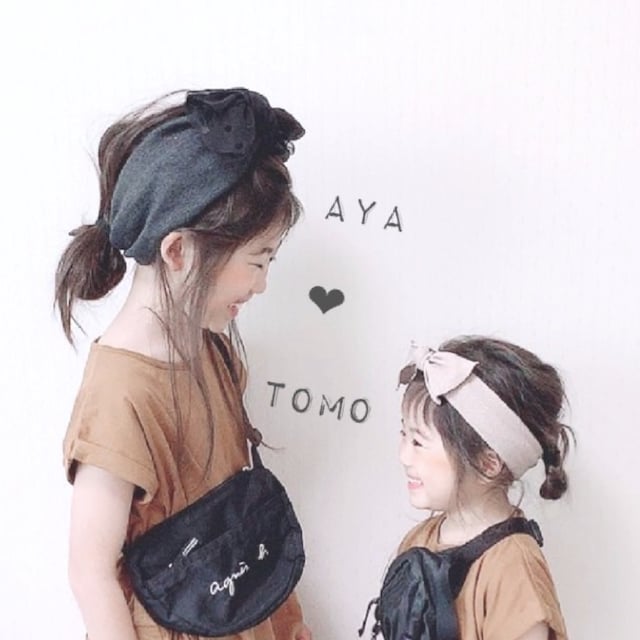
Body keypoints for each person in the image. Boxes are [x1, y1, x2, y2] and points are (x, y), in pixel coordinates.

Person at [55, 88, 312, 640]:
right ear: (178, 252)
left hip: (239, 600)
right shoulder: (121, 392)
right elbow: (90, 573)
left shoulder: (210, 348)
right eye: (258, 261)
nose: (262, 285)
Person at [395, 336, 571, 640]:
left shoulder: (512, 570)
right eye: (404, 435)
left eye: (419, 442)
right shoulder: (420, 539)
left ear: (488, 462)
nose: (404, 455)